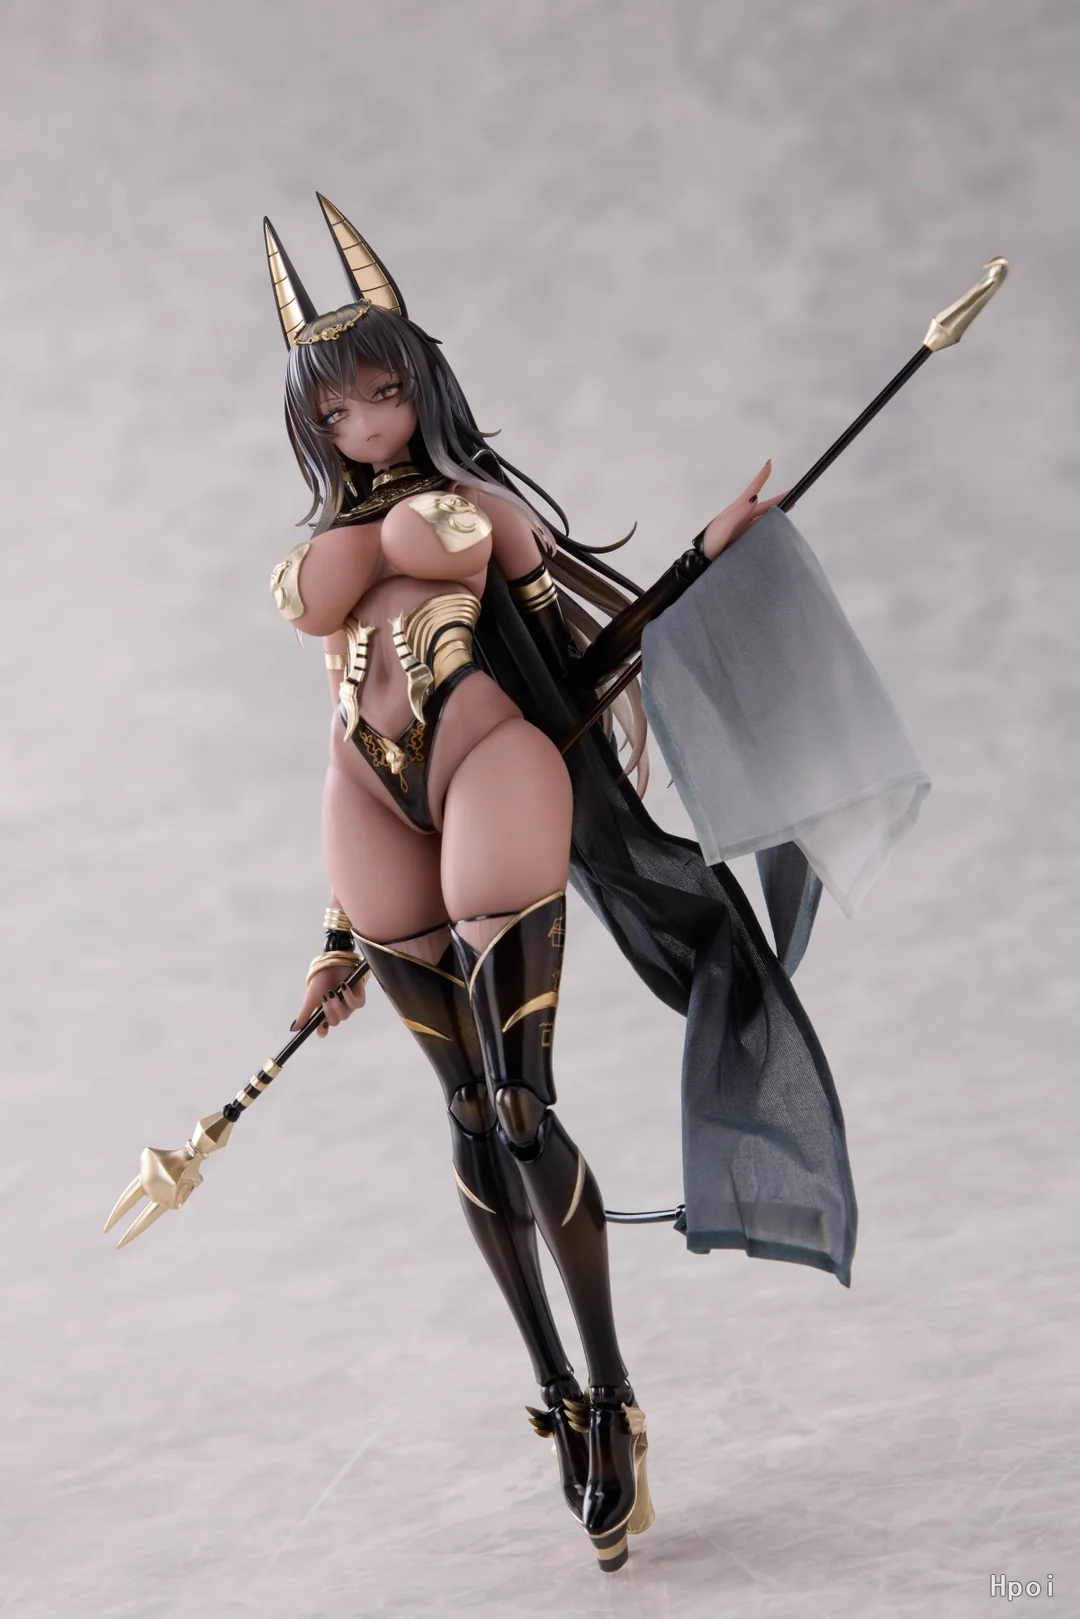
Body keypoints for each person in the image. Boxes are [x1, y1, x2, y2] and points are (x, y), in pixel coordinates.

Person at [265, 195, 834, 1574]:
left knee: (521, 1106)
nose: (364, 421)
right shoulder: (324, 537)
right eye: (337, 409)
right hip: (367, 800)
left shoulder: (481, 512)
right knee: (467, 1117)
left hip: (493, 765)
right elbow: (340, 693)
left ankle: (615, 1395)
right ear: (312, 423)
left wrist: (707, 556)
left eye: (383, 393)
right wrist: (334, 938)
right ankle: (559, 1399)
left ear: (422, 385)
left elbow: (588, 651)